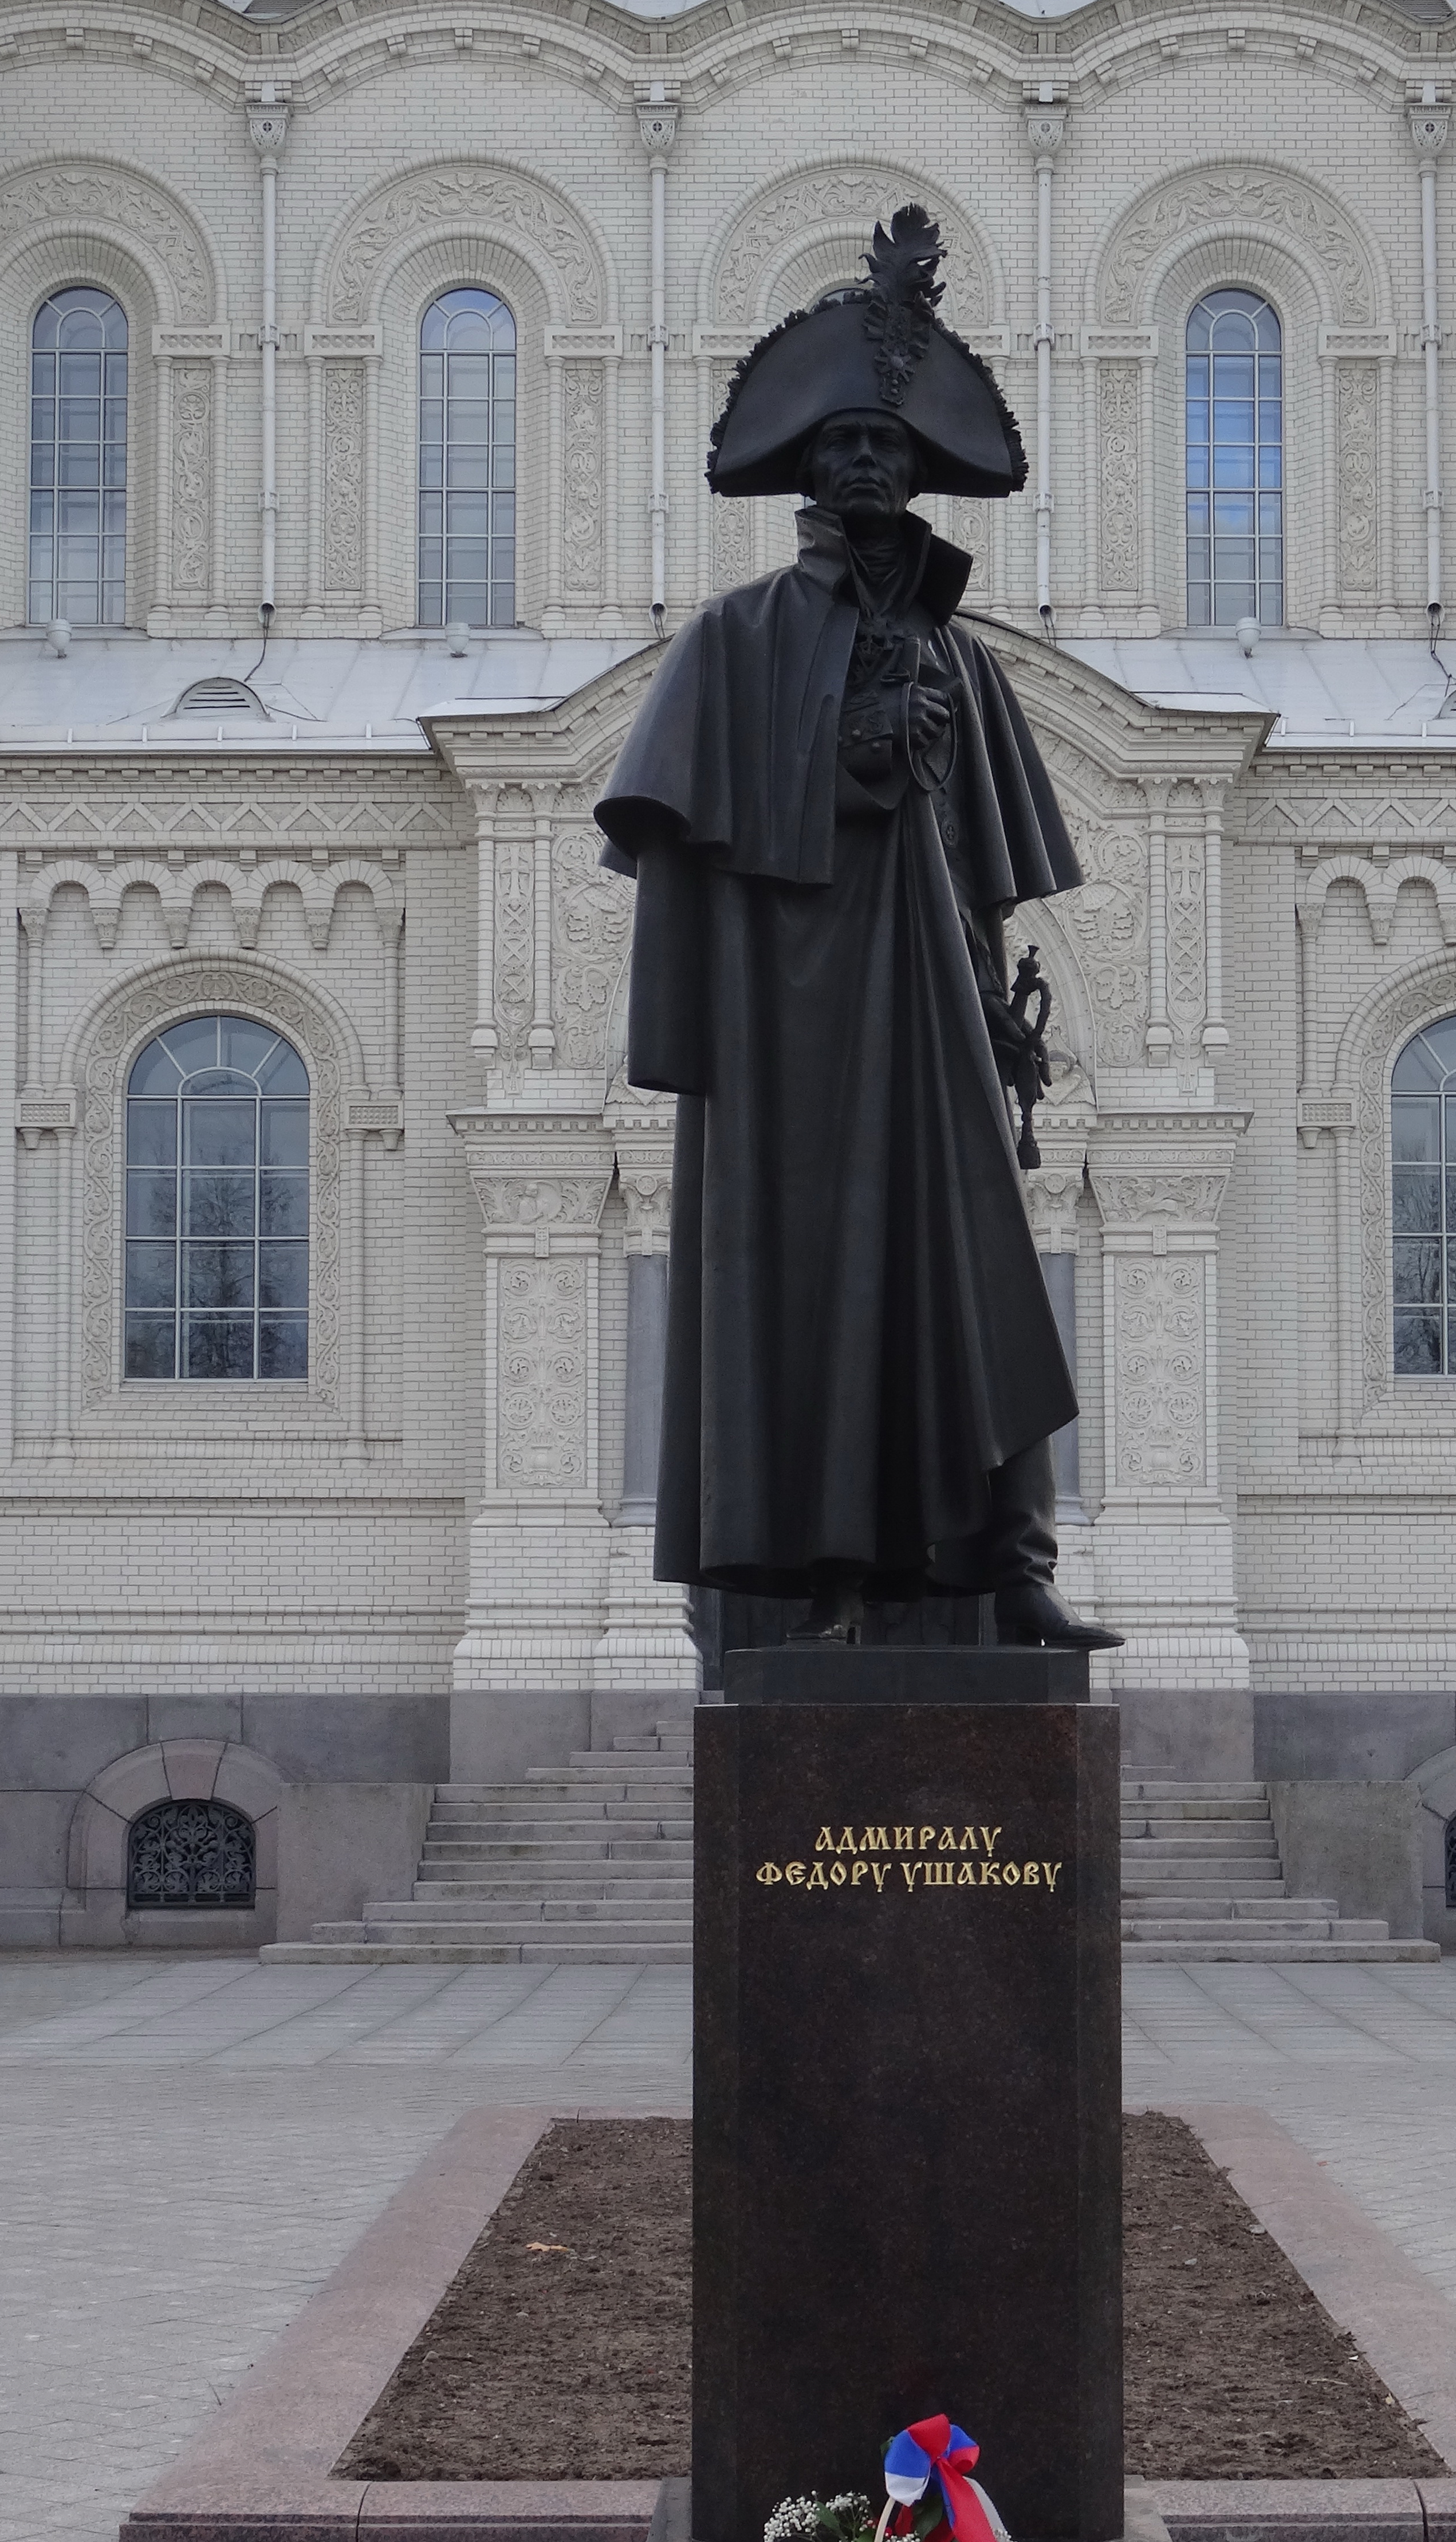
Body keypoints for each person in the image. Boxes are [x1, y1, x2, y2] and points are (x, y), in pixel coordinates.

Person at [596, 208, 1120, 1651]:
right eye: (843, 452)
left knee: (980, 1285)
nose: (870, 470)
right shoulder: (738, 639)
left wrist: (1000, 1008)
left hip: (934, 1020)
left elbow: (987, 862)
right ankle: (829, 1585)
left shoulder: (963, 653)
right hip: (799, 1036)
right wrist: (851, 745)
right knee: (821, 1290)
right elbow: (700, 827)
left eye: (889, 451)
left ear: (918, 474)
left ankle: (1012, 1570)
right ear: (805, 479)